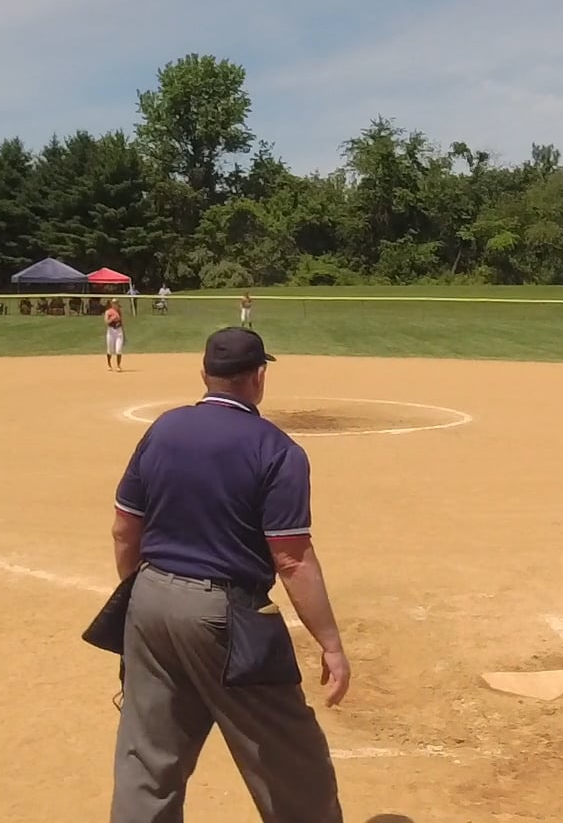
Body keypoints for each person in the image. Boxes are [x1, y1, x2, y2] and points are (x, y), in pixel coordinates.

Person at [107, 327, 346, 822]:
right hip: (225, 618)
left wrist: (137, 596)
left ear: (205, 374)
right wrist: (331, 644)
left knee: (147, 763)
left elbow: (124, 529)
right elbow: (291, 560)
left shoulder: (163, 430)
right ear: (259, 377)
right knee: (292, 765)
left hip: (149, 600)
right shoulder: (276, 449)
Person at [105, 298, 126, 373]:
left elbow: (121, 323)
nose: (115, 304)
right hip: (111, 331)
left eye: (116, 303)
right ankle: (109, 364)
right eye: (114, 303)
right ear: (112, 304)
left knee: (118, 350)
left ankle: (118, 366)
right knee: (110, 350)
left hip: (119, 331)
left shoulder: (119, 311)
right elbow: (106, 321)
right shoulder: (108, 312)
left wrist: (124, 334)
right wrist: (112, 318)